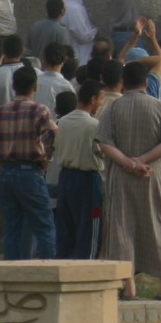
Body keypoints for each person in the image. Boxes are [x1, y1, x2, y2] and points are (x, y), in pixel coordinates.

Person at [97, 61, 161, 299]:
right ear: (146, 82)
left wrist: (130, 163)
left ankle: (129, 284)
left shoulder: (114, 107)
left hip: (121, 176)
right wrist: (143, 160)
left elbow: (104, 143)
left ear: (123, 82)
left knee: (122, 226)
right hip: (153, 176)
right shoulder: (159, 107)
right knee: (160, 223)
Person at [0, 64, 59, 260]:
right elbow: (53, 132)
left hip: (7, 172)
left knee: (12, 227)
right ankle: (49, 270)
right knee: (44, 225)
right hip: (30, 171)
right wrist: (47, 157)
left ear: (13, 87)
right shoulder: (39, 110)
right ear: (35, 88)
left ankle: (12, 271)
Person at [52, 79, 105, 258]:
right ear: (92, 99)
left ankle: (63, 264)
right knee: (90, 228)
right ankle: (87, 267)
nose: (101, 104)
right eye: (100, 99)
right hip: (88, 180)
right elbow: (102, 152)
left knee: (66, 228)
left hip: (65, 178)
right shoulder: (95, 126)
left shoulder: (62, 122)